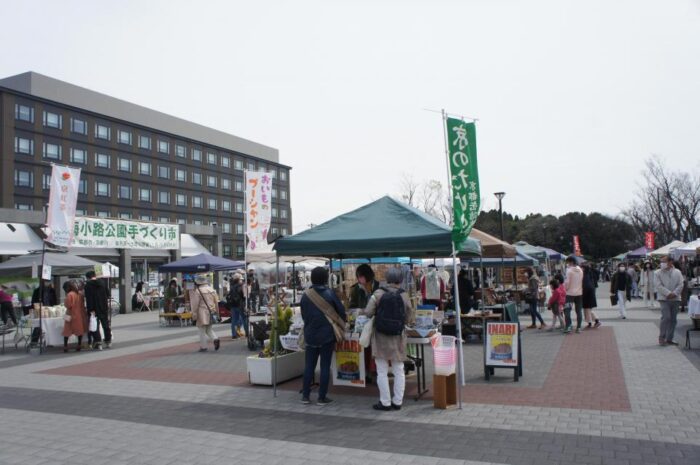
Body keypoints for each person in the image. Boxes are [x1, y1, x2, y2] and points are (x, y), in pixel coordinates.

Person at [362, 267, 415, 411]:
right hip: (398, 336)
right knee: (399, 369)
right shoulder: (404, 295)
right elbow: (410, 317)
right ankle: (397, 401)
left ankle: (384, 402)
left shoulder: (378, 293)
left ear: (387, 279)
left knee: (382, 370)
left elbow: (368, 312)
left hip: (380, 336)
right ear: (400, 279)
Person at [301, 267, 346, 406]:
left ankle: (305, 396)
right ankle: (321, 397)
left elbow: (303, 315)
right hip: (327, 335)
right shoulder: (330, 293)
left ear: (312, 278)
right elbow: (341, 312)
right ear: (326, 278)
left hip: (310, 335)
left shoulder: (305, 295)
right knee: (325, 366)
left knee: (309, 366)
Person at [655, 256, 684, 346]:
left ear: (671, 262)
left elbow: (681, 284)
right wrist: (668, 294)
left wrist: (674, 293)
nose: (662, 263)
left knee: (673, 319)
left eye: (664, 261)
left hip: (676, 299)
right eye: (661, 261)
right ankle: (662, 337)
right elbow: (658, 286)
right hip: (664, 299)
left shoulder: (677, 272)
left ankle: (669, 338)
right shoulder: (657, 272)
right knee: (666, 317)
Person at [189, 275, 220, 352]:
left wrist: (194, 314)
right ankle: (215, 339)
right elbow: (216, 302)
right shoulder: (212, 290)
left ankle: (203, 347)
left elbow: (195, 304)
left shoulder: (198, 291)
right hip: (211, 311)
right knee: (209, 329)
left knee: (201, 330)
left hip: (201, 312)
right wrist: (217, 312)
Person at [84, 270, 112, 349]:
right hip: (103, 307)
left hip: (94, 308)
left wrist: (90, 309)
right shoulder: (102, 283)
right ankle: (108, 340)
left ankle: (98, 341)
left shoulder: (88, 286)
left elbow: (89, 299)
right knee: (105, 325)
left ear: (88, 278)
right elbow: (108, 294)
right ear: (95, 276)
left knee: (94, 325)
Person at [61, 281, 86, 353]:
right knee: (79, 330)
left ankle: (65, 346)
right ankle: (79, 345)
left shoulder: (69, 294)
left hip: (69, 314)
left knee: (67, 331)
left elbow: (67, 305)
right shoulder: (80, 294)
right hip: (79, 314)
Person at [563, 256, 584, 333]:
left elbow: (567, 283)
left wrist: (566, 289)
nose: (567, 264)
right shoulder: (581, 270)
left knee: (567, 310)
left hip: (569, 294)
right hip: (579, 293)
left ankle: (569, 326)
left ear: (571, 262)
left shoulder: (569, 271)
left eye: (568, 262)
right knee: (578, 311)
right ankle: (578, 327)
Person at [582, 263, 602, 329]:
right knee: (588, 310)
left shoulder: (585, 276)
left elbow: (585, 287)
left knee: (587, 309)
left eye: (581, 268)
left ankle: (594, 322)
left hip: (587, 295)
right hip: (589, 294)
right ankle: (594, 322)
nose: (580, 269)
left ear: (584, 269)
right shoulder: (588, 275)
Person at [227, 275, 246, 339]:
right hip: (240, 305)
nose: (242, 280)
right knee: (244, 319)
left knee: (234, 320)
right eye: (241, 279)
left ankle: (234, 334)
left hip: (233, 305)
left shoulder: (231, 286)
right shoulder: (241, 286)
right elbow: (244, 296)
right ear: (238, 280)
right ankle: (247, 333)